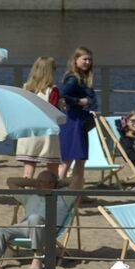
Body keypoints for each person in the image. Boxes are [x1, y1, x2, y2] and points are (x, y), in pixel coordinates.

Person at [0, 170, 73, 269]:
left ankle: (38, 257)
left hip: (48, 228)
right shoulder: (30, 196)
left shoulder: (64, 196)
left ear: (52, 183)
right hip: (26, 227)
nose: (38, 184)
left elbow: (79, 180)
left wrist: (58, 184)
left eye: (41, 181)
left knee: (35, 218)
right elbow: (11, 181)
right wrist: (34, 182)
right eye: (38, 181)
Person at [57, 47, 97, 192]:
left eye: (90, 60)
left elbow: (93, 101)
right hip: (72, 120)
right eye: (84, 59)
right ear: (76, 60)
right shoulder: (73, 78)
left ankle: (77, 194)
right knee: (67, 160)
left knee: (80, 160)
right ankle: (57, 193)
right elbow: (62, 94)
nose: (88, 62)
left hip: (79, 121)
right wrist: (79, 101)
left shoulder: (84, 77)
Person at [17, 57, 60, 178]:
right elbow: (53, 110)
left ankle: (26, 192)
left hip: (29, 130)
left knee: (29, 166)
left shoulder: (26, 87)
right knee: (52, 165)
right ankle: (52, 191)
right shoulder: (52, 90)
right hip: (46, 130)